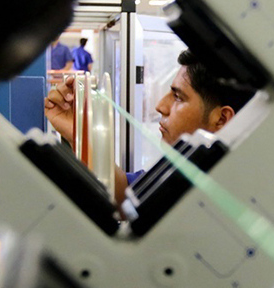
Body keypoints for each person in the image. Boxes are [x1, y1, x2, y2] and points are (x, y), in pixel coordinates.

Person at [44, 49, 255, 204]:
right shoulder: (183, 170)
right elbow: (124, 193)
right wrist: (80, 134)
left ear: (221, 119)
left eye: (178, 97)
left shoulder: (228, 195)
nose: (160, 106)